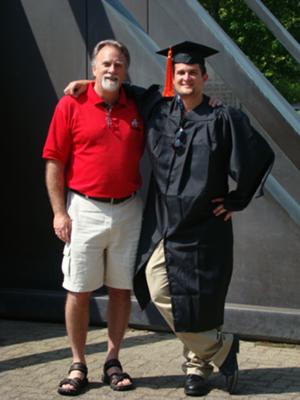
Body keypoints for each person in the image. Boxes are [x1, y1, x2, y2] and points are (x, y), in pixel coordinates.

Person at [64, 40, 274, 397]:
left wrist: (237, 200)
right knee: (161, 287)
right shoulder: (158, 109)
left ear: (204, 77)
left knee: (201, 297)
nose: (186, 77)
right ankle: (221, 347)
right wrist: (87, 83)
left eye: (193, 72)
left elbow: (259, 155)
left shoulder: (223, 117)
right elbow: (117, 86)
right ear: (172, 77)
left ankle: (196, 368)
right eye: (181, 72)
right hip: (164, 222)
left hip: (206, 225)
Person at [42, 39, 144, 395]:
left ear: (126, 69)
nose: (111, 69)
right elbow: (54, 161)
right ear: (93, 67)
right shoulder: (72, 103)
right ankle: (78, 363)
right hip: (83, 209)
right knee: (78, 291)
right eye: (105, 64)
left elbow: (180, 100)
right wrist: (59, 212)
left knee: (120, 290)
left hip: (129, 210)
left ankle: (113, 361)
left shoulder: (138, 105)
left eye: (117, 64)